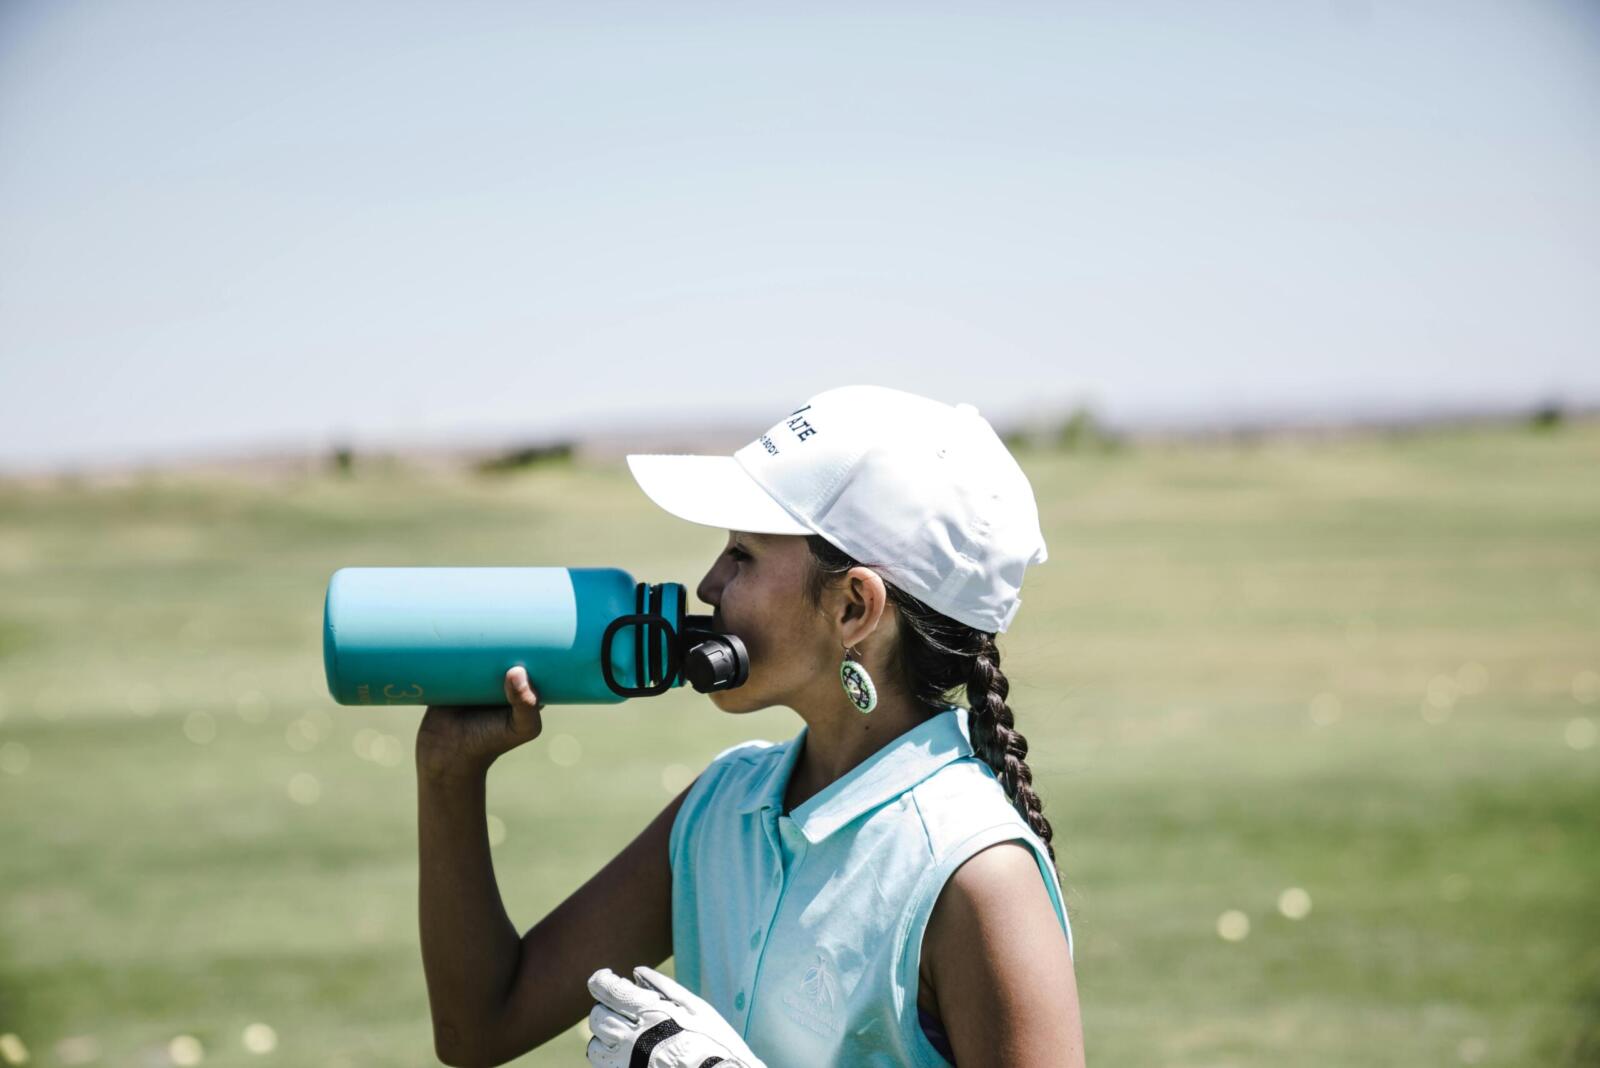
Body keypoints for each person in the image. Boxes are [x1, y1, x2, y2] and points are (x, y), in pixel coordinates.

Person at [416, 385, 1085, 1067]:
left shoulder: (979, 874)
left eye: (743, 554)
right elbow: (480, 1027)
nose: (707, 584)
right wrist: (449, 772)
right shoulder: (721, 809)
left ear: (854, 607)